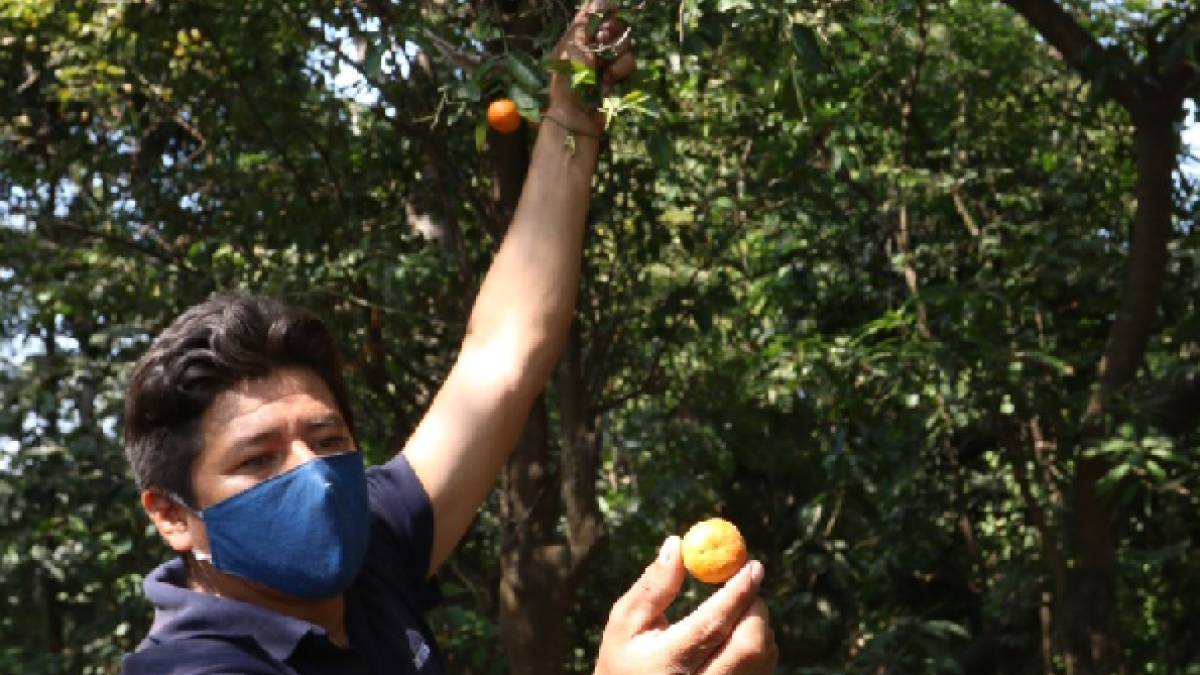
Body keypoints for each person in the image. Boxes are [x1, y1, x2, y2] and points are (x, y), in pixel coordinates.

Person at [118, 2, 778, 673]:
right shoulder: (195, 667)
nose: (313, 478)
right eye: (257, 458)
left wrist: (572, 112)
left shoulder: (367, 546)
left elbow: (505, 353)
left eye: (327, 439)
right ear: (172, 514)